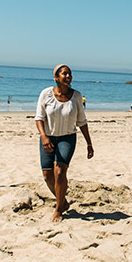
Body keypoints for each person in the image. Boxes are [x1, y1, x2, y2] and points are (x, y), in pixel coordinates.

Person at [35, 65, 94, 222]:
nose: (68, 76)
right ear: (56, 77)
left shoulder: (76, 96)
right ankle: (63, 201)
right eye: (64, 73)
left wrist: (89, 143)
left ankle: (58, 209)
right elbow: (39, 118)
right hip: (47, 138)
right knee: (47, 175)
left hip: (67, 138)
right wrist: (43, 137)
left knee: (60, 172)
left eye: (70, 74)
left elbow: (82, 122)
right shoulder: (45, 94)